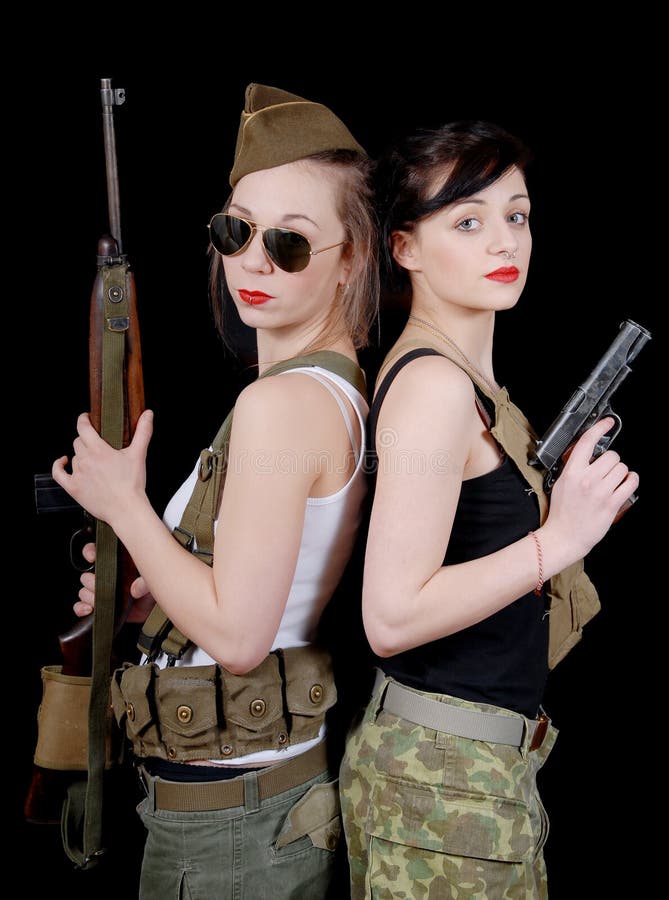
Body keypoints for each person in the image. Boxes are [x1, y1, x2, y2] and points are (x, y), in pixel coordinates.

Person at [51, 82, 379, 899]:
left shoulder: (280, 404)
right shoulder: (335, 391)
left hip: (233, 830)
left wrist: (123, 499)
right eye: (234, 231)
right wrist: (148, 597)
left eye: (292, 243)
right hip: (261, 811)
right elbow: (262, 595)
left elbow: (237, 637)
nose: (252, 261)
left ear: (354, 262)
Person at [338, 120, 639, 898]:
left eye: (516, 215)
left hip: (461, 774)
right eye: (467, 222)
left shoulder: (463, 384)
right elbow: (392, 617)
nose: (503, 241)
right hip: (442, 781)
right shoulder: (435, 388)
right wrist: (557, 539)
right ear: (404, 247)